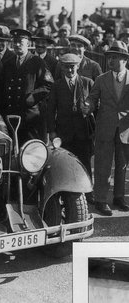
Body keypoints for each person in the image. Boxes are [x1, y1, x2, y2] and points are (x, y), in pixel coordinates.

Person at [81, 41, 129, 216]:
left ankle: (119, 197)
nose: (110, 61)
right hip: (105, 126)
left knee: (122, 165)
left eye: (115, 58)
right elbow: (92, 98)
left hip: (125, 129)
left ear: (125, 60)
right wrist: (87, 105)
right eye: (109, 57)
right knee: (103, 164)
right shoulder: (101, 79)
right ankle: (101, 200)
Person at [47, 53, 95, 203]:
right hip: (64, 133)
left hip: (83, 132)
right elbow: (50, 110)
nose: (69, 70)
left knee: (85, 162)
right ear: (61, 68)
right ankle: (66, 193)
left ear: (78, 66)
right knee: (64, 164)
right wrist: (52, 132)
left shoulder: (87, 83)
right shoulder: (56, 86)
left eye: (72, 67)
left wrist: (90, 109)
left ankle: (88, 193)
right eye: (66, 67)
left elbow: (97, 105)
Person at [1, 29, 54, 143]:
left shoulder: (37, 62)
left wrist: (33, 97)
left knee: (31, 152)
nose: (17, 45)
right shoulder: (8, 63)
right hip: (11, 115)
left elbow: (48, 85)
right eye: (15, 42)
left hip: (30, 117)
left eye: (20, 41)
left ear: (28, 44)